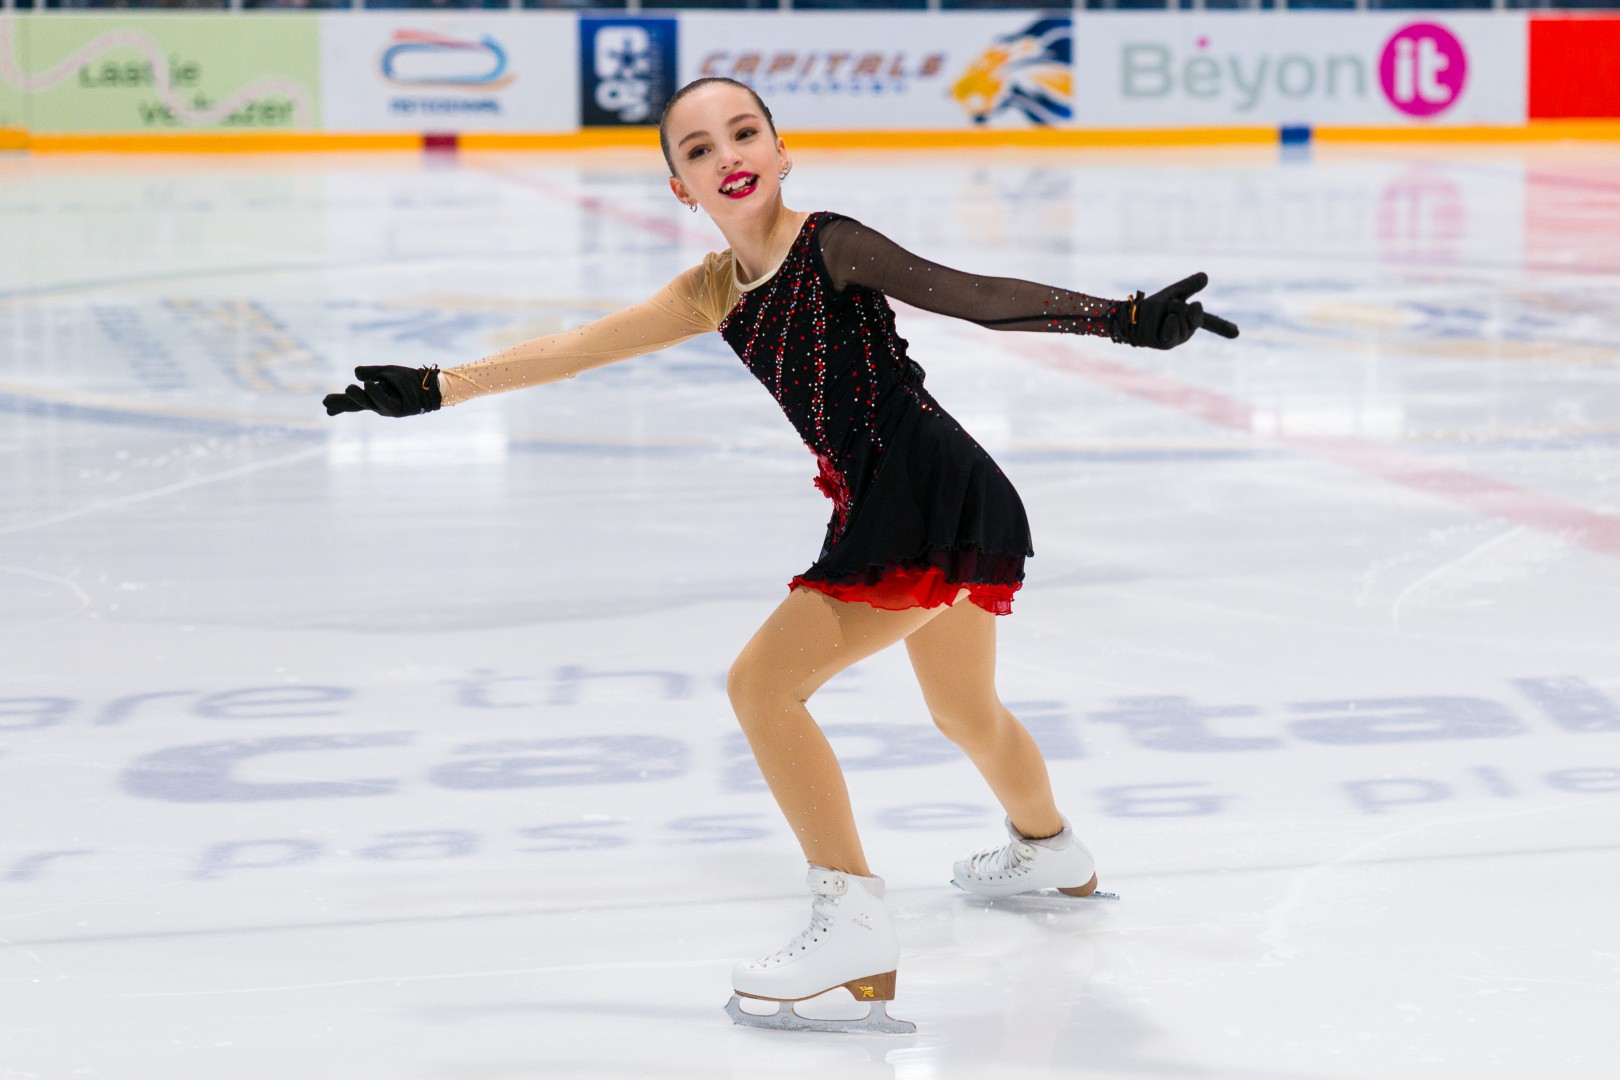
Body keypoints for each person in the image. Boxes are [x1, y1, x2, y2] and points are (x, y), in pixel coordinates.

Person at [323, 76, 1238, 1035]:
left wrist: (1121, 319)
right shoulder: (711, 291)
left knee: (762, 687)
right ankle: (1050, 851)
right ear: (680, 188)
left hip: (925, 493)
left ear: (782, 149)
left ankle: (854, 932)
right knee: (963, 709)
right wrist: (439, 387)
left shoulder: (830, 245)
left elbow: (968, 296)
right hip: (915, 496)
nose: (728, 156)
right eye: (699, 150)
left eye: (744, 132)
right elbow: (581, 347)